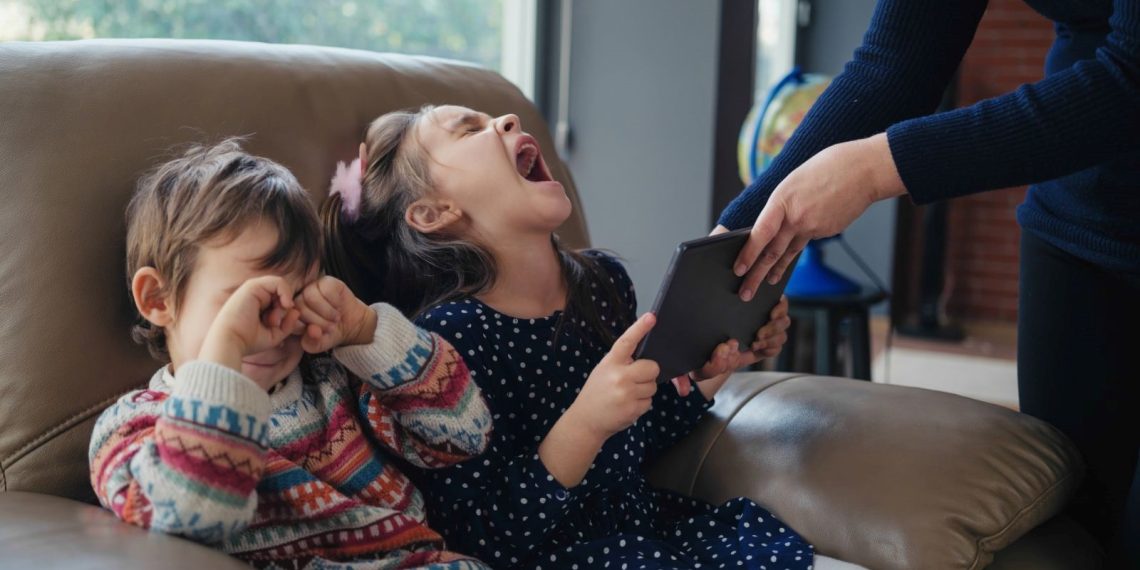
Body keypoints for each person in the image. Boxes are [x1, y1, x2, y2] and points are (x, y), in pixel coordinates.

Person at [318, 104, 881, 570]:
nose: (506, 119)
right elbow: (482, 538)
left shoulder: (602, 283)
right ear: (434, 212)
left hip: (650, 536)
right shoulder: (446, 348)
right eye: (470, 129)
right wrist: (585, 423)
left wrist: (710, 373)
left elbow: (638, 439)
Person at [716, 0, 1139, 564]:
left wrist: (876, 169)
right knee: (1076, 529)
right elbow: (894, 62)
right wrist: (737, 232)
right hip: (1077, 226)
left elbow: (1129, 84)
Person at [89, 140, 493, 569]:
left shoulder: (334, 380)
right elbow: (191, 518)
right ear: (157, 299)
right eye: (253, 302)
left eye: (298, 296)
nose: (276, 329)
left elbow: (462, 435)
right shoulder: (133, 427)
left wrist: (365, 331)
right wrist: (224, 354)